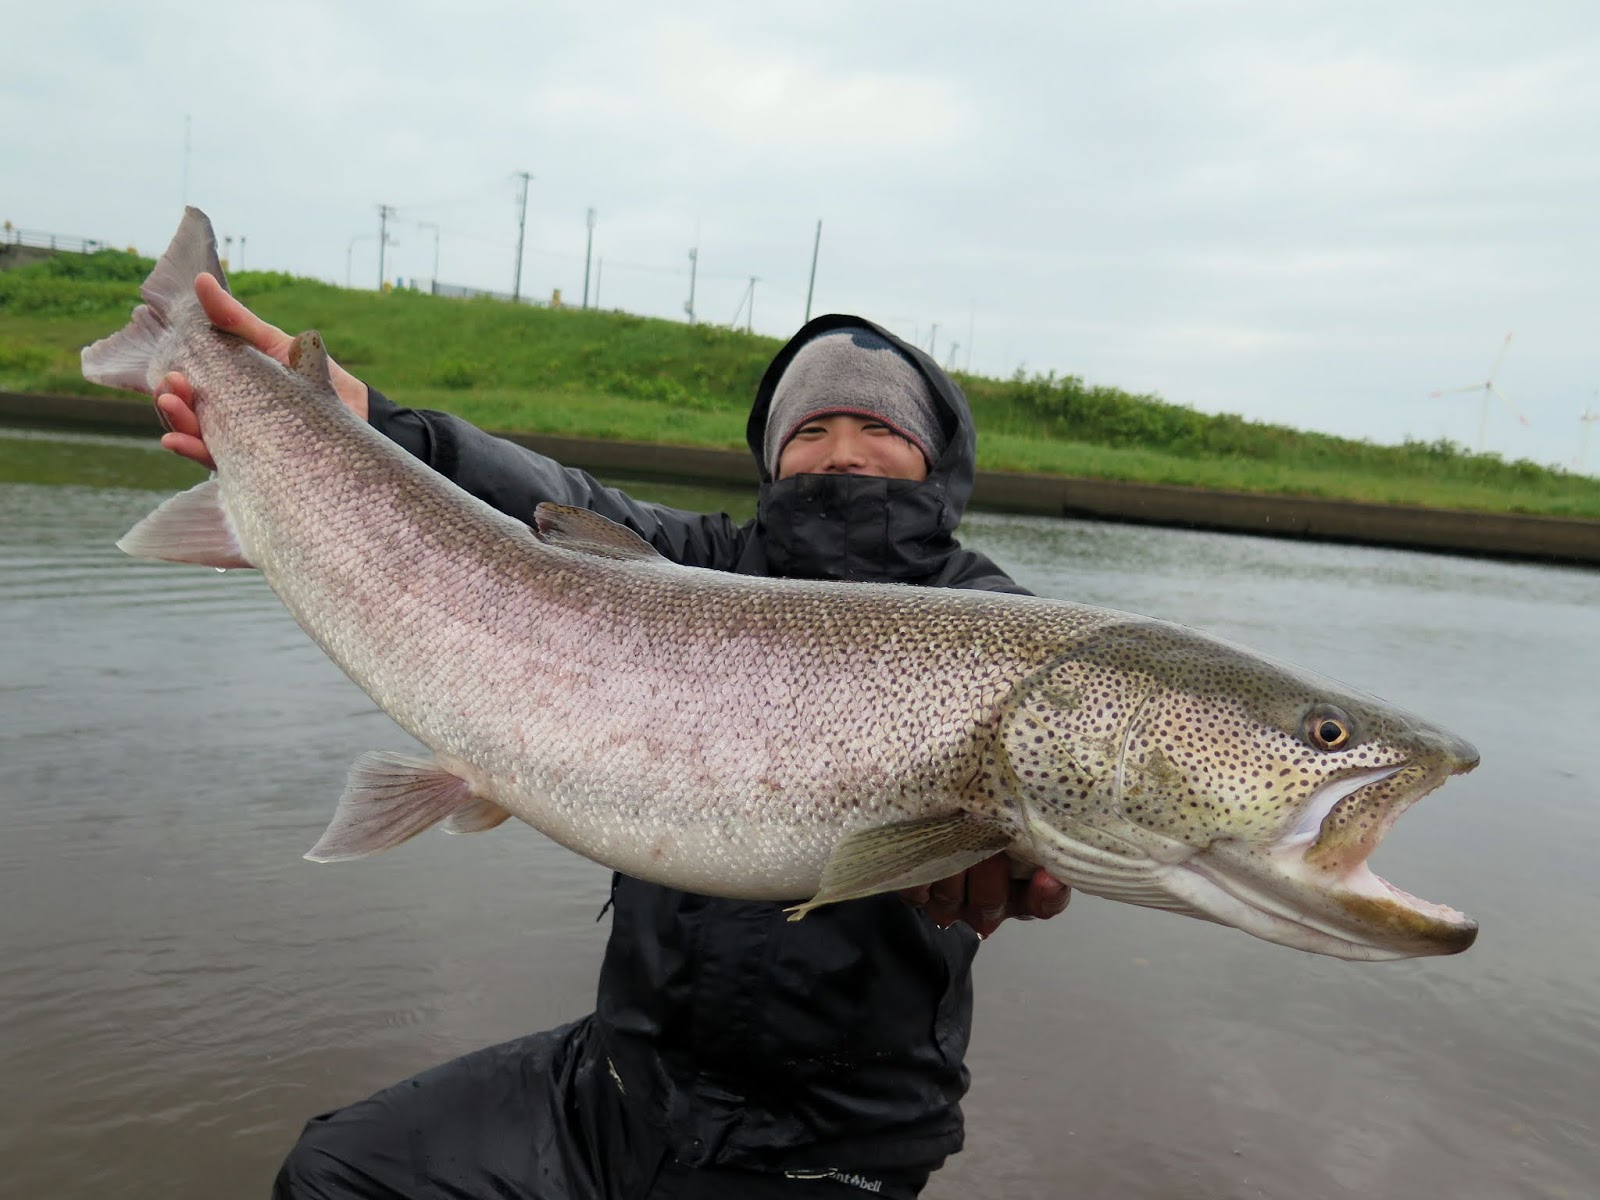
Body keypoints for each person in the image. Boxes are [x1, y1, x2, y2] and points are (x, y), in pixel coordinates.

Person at [153, 277, 1072, 1199]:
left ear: (935, 453)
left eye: (881, 428)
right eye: (810, 430)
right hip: (621, 1087)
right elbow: (553, 498)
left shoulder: (998, 630)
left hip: (831, 1147)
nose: (842, 454)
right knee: (335, 1174)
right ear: (773, 454)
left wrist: (1025, 856)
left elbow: (1058, 835)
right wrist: (374, 424)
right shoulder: (699, 562)